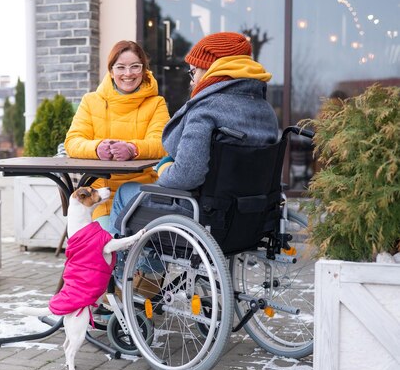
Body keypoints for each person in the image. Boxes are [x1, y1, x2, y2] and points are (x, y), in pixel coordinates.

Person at [110, 31, 280, 234]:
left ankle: (125, 265)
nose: (191, 81)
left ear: (210, 69)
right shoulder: (265, 110)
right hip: (250, 217)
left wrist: (163, 169)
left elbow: (186, 175)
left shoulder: (206, 109)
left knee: (125, 193)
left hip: (204, 215)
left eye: (193, 72)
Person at [64, 40, 169, 230]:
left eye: (135, 67)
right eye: (120, 67)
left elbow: (162, 143)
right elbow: (73, 142)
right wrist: (97, 148)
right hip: (101, 196)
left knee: (141, 248)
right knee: (106, 249)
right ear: (111, 71)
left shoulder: (156, 103)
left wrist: (132, 148)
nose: (128, 74)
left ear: (144, 70)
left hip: (140, 193)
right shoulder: (90, 101)